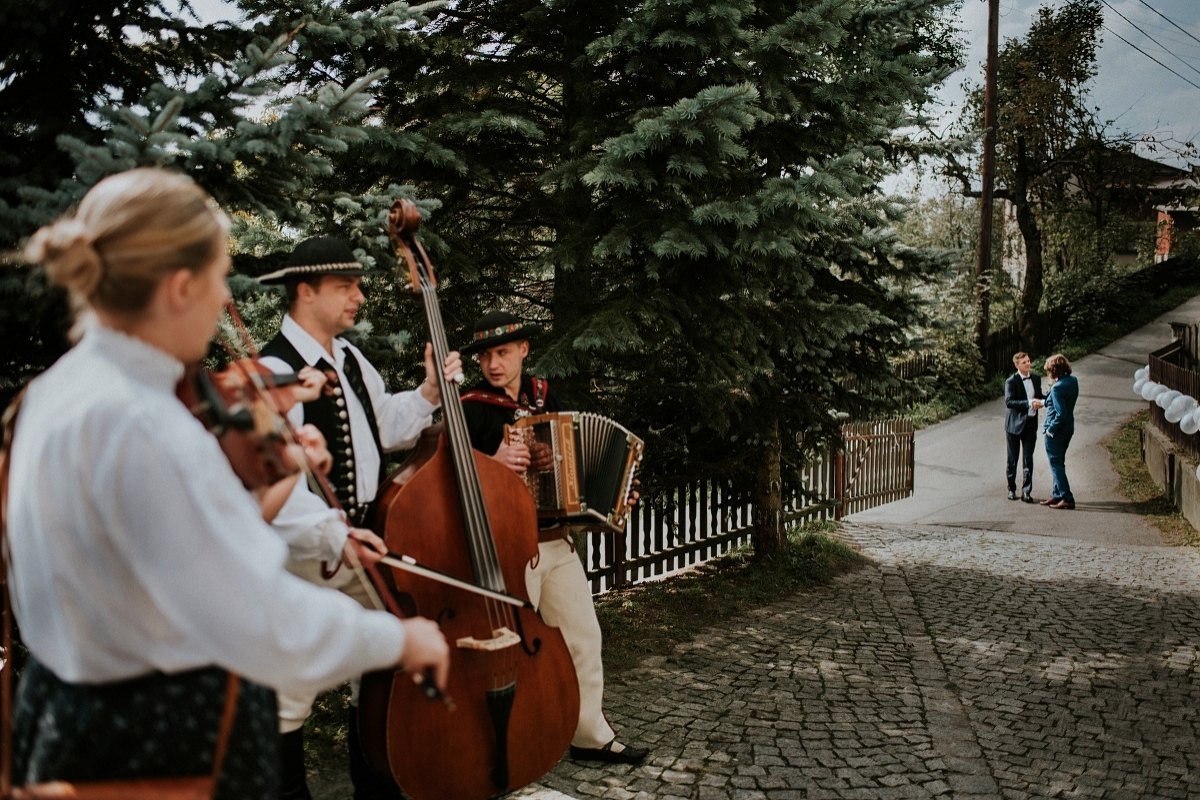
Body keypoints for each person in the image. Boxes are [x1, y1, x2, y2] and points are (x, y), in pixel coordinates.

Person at [7, 168, 449, 798]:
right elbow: (251, 614)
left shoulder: (55, 391)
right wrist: (398, 637)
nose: (223, 305)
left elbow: (155, 559)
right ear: (182, 286)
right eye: (219, 282)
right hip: (159, 735)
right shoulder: (144, 418)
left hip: (64, 709)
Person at [255, 236, 463, 800]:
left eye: (358, 285)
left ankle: (378, 785)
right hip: (306, 556)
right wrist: (330, 533)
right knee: (289, 690)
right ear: (305, 291)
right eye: (345, 287)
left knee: (382, 668)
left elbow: (387, 427)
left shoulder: (347, 358)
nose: (360, 297)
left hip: (364, 540)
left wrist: (425, 390)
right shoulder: (275, 368)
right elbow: (275, 479)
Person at [459, 310, 649, 765]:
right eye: (485, 355)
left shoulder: (544, 395)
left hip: (555, 542)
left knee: (582, 635)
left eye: (502, 352)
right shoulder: (470, 407)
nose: (493, 363)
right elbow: (452, 477)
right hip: (503, 546)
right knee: (506, 654)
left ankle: (588, 736)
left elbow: (570, 472)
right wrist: (492, 462)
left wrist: (617, 494)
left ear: (523, 350)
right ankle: (500, 753)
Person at [1004, 351, 1044, 503]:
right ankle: (1011, 489)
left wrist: (1048, 399)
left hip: (1030, 424)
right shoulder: (1011, 381)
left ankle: (1026, 491)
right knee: (1012, 459)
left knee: (1028, 459)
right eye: (1024, 362)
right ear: (1017, 365)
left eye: (1028, 361)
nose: (1028, 364)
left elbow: (1039, 396)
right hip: (1014, 426)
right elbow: (1009, 402)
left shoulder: (1036, 378)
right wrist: (1029, 403)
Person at [1041, 353, 1078, 510]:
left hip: (1056, 431)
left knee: (1055, 464)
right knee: (1059, 462)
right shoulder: (1072, 381)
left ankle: (1066, 497)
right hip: (1069, 428)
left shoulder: (1057, 388)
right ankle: (1056, 495)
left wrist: (1050, 430)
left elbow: (1060, 413)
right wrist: (1043, 402)